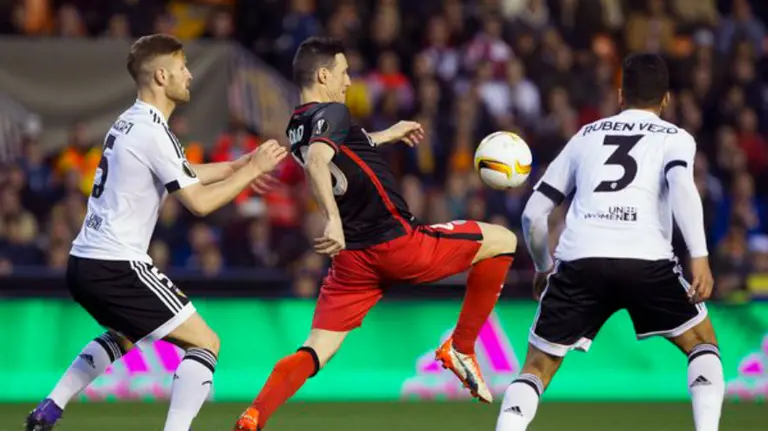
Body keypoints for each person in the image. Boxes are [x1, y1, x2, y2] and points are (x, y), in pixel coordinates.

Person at [233, 36, 518, 431]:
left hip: (352, 263)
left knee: (316, 349)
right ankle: (462, 347)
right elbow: (320, 160)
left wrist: (389, 134)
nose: (349, 81)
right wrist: (329, 217)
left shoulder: (297, 125)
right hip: (398, 244)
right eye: (344, 72)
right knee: (504, 241)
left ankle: (254, 415)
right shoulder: (332, 111)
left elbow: (341, 150)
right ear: (323, 74)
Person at [25, 34, 287, 431]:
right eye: (183, 67)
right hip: (117, 263)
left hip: (85, 262)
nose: (190, 75)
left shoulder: (131, 122)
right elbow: (198, 203)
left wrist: (239, 165)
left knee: (125, 334)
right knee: (206, 343)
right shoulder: (153, 131)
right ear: (162, 75)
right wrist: (252, 171)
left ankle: (49, 409)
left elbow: (182, 174)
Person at [495, 53, 723, 431]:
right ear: (666, 99)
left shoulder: (585, 136)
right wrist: (698, 255)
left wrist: (542, 267)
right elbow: (682, 185)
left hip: (579, 261)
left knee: (536, 369)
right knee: (702, 343)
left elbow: (533, 214)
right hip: (647, 260)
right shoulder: (677, 138)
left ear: (621, 95)